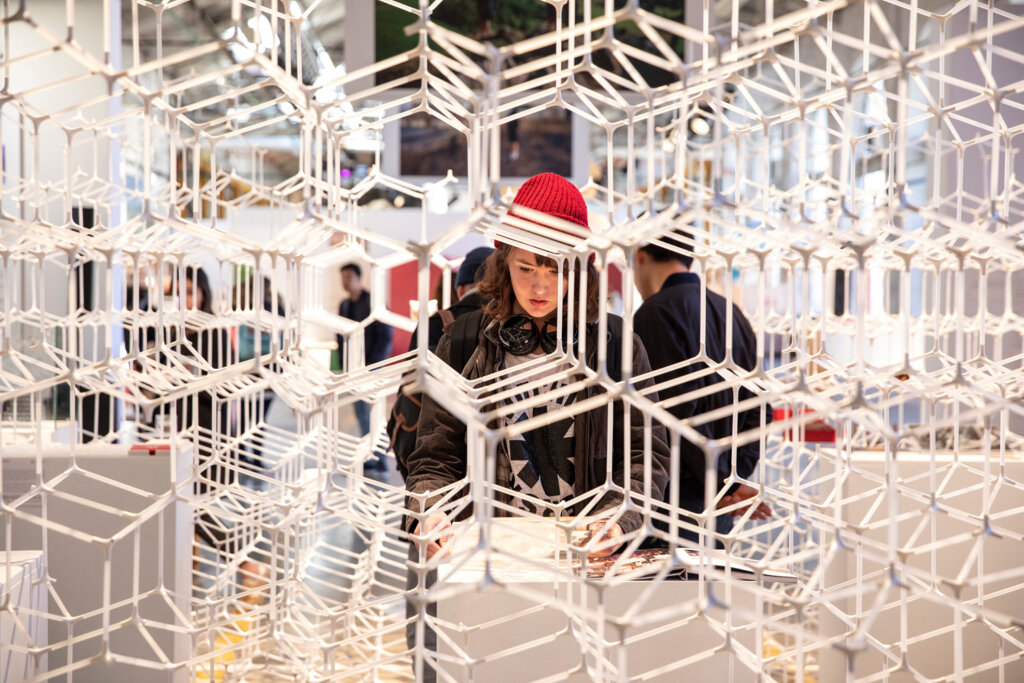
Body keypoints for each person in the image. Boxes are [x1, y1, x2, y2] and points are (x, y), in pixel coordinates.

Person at [403, 174, 671, 679]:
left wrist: (621, 519)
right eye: (526, 267)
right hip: (492, 571)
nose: (540, 285)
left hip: (589, 563)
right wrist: (430, 509)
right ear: (504, 264)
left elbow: (645, 453)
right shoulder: (463, 342)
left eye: (555, 269)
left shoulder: (615, 345)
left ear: (581, 269)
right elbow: (433, 456)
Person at [633, 233, 773, 544]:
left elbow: (673, 414)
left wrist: (725, 482)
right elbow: (760, 407)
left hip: (670, 500)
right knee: (704, 588)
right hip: (719, 502)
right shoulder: (732, 314)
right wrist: (733, 479)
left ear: (640, 256)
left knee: (659, 588)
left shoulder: (653, 314)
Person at [336, 263, 393, 470]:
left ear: (360, 278)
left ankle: (380, 457)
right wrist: (345, 367)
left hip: (371, 367)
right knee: (360, 413)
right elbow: (340, 336)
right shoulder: (343, 305)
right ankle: (370, 455)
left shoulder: (373, 303)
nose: (346, 281)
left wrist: (373, 365)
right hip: (352, 370)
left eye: (350, 276)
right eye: (343, 276)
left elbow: (385, 335)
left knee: (374, 412)